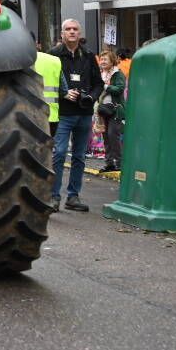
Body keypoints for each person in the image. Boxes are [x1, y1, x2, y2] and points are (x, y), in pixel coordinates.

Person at [49, 19, 103, 213]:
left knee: (79, 156)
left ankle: (73, 196)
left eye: (75, 29)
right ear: (62, 34)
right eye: (68, 29)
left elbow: (99, 83)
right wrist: (63, 93)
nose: (72, 32)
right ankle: (53, 197)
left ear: (80, 33)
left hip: (84, 113)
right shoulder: (53, 55)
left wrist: (91, 96)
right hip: (63, 112)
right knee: (59, 153)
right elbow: (45, 80)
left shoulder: (88, 56)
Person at [97, 50, 127, 174]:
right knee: (106, 138)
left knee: (112, 136)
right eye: (101, 59)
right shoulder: (100, 74)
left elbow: (119, 89)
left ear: (112, 61)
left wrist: (105, 86)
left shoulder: (117, 74)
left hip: (115, 110)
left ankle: (120, 163)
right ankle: (109, 163)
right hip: (103, 111)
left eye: (105, 59)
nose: (103, 62)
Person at [33, 41, 62, 139]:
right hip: (51, 116)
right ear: (37, 44)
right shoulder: (54, 60)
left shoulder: (17, 61)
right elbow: (64, 89)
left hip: (28, 114)